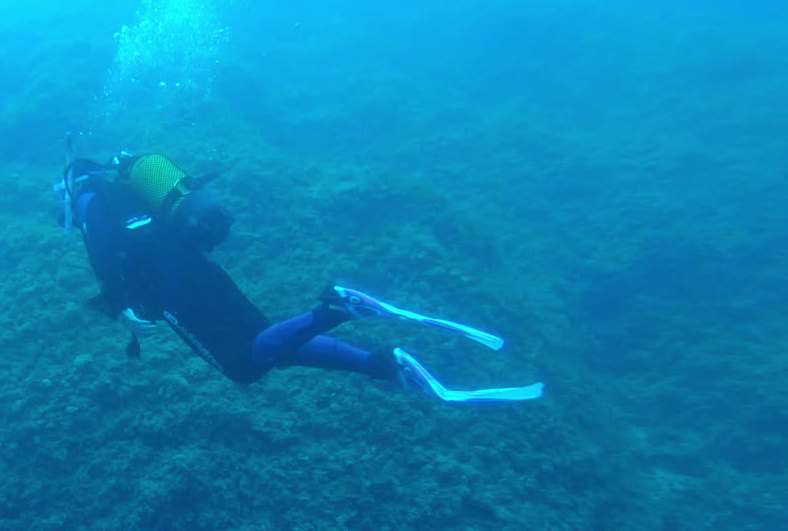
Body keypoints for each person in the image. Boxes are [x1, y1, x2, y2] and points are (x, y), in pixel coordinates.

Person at [58, 148, 544, 403]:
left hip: (170, 290)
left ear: (68, 185)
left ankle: (335, 309)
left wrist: (120, 305)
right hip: (198, 269)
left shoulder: (89, 197)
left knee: (247, 364)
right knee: (270, 341)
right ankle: (379, 364)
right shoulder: (129, 184)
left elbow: (102, 250)